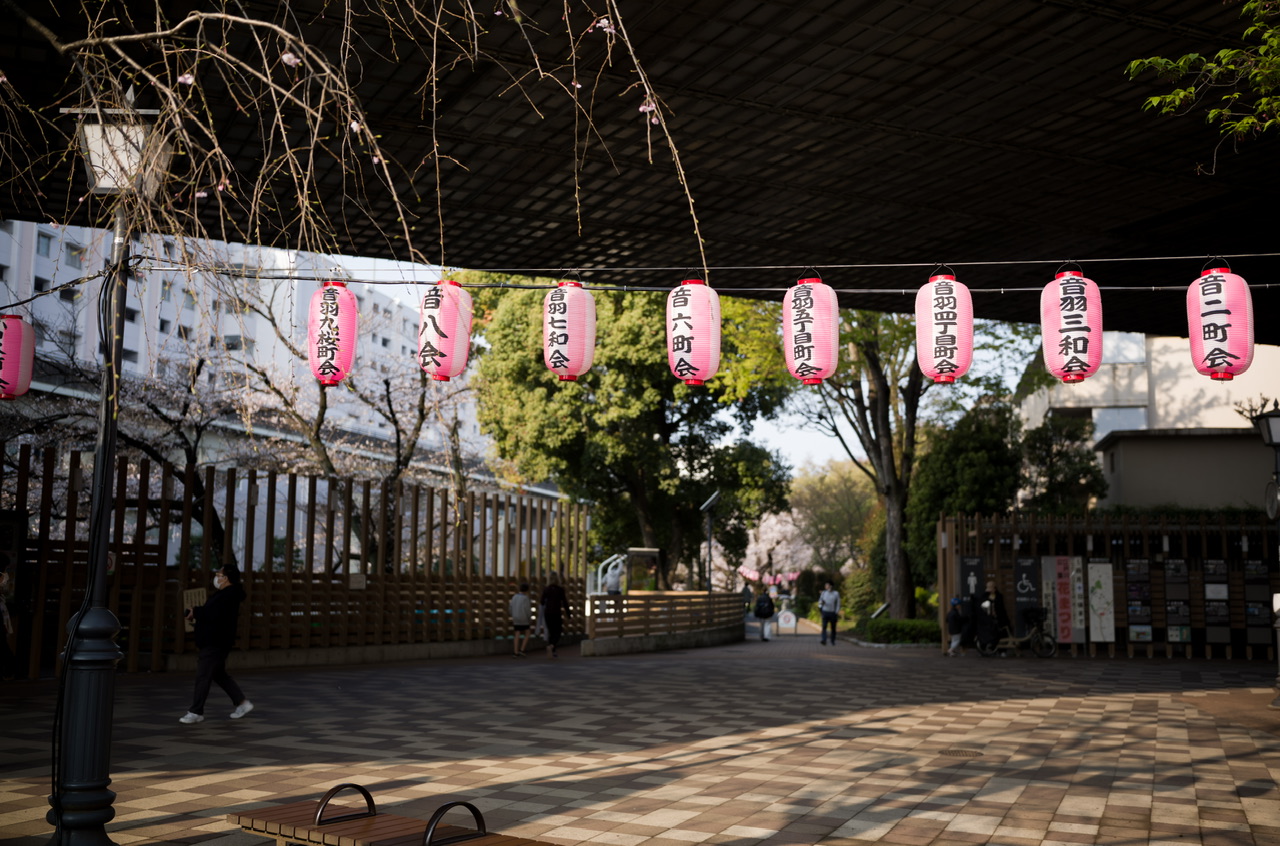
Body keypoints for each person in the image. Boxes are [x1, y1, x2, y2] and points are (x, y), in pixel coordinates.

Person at [180, 566, 253, 724]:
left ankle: (195, 711)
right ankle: (242, 703)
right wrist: (198, 612)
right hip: (218, 641)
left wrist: (196, 612)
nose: (216, 577)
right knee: (219, 674)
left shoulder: (228, 595)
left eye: (218, 574)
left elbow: (213, 613)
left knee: (203, 675)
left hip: (215, 641)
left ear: (225, 578)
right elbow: (212, 612)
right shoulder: (227, 594)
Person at [539, 572, 571, 658]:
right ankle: (552, 646)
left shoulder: (546, 589)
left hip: (547, 613)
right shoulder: (560, 590)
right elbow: (565, 603)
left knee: (551, 632)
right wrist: (569, 614)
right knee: (558, 631)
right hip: (556, 613)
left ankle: (552, 650)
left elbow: (541, 601)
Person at [510, 583, 533, 657]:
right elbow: (527, 610)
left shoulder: (514, 597)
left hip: (515, 617)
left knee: (517, 634)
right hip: (524, 618)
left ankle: (515, 652)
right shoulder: (526, 598)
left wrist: (512, 614)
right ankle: (522, 649)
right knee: (527, 633)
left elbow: (510, 607)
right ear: (527, 590)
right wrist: (529, 618)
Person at [817, 580, 840, 645]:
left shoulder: (836, 593)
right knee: (824, 626)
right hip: (825, 612)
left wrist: (836, 612)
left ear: (830, 586)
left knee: (833, 627)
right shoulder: (824, 593)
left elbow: (838, 603)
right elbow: (820, 602)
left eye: (826, 585)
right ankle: (824, 639)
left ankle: (832, 640)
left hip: (832, 613)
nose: (825, 586)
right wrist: (821, 605)